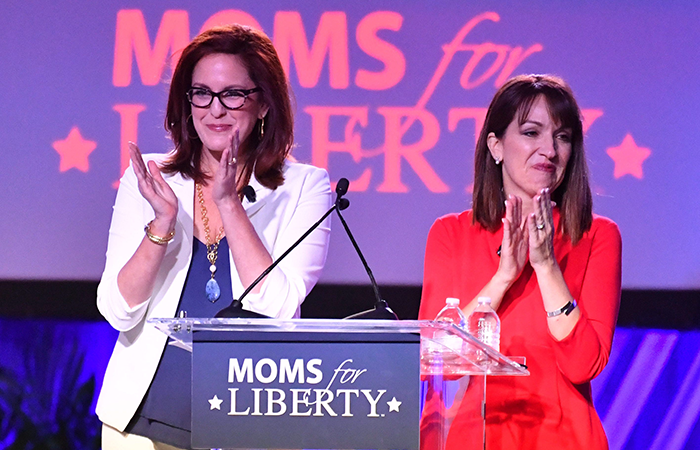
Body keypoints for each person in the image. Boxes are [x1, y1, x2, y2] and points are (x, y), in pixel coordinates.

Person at [96, 25, 332, 449]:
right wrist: (162, 223)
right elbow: (118, 311)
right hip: (143, 419)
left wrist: (229, 205)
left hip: (250, 421)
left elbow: (278, 307)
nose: (215, 110)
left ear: (263, 104)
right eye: (201, 93)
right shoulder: (151, 179)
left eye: (233, 94)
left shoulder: (305, 187)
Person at [419, 74, 621, 449]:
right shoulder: (450, 233)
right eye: (532, 133)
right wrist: (503, 277)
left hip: (565, 437)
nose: (549, 150)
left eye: (562, 137)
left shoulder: (596, 236)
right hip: (470, 435)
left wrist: (546, 267)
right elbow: (437, 362)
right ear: (495, 146)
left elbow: (583, 365)